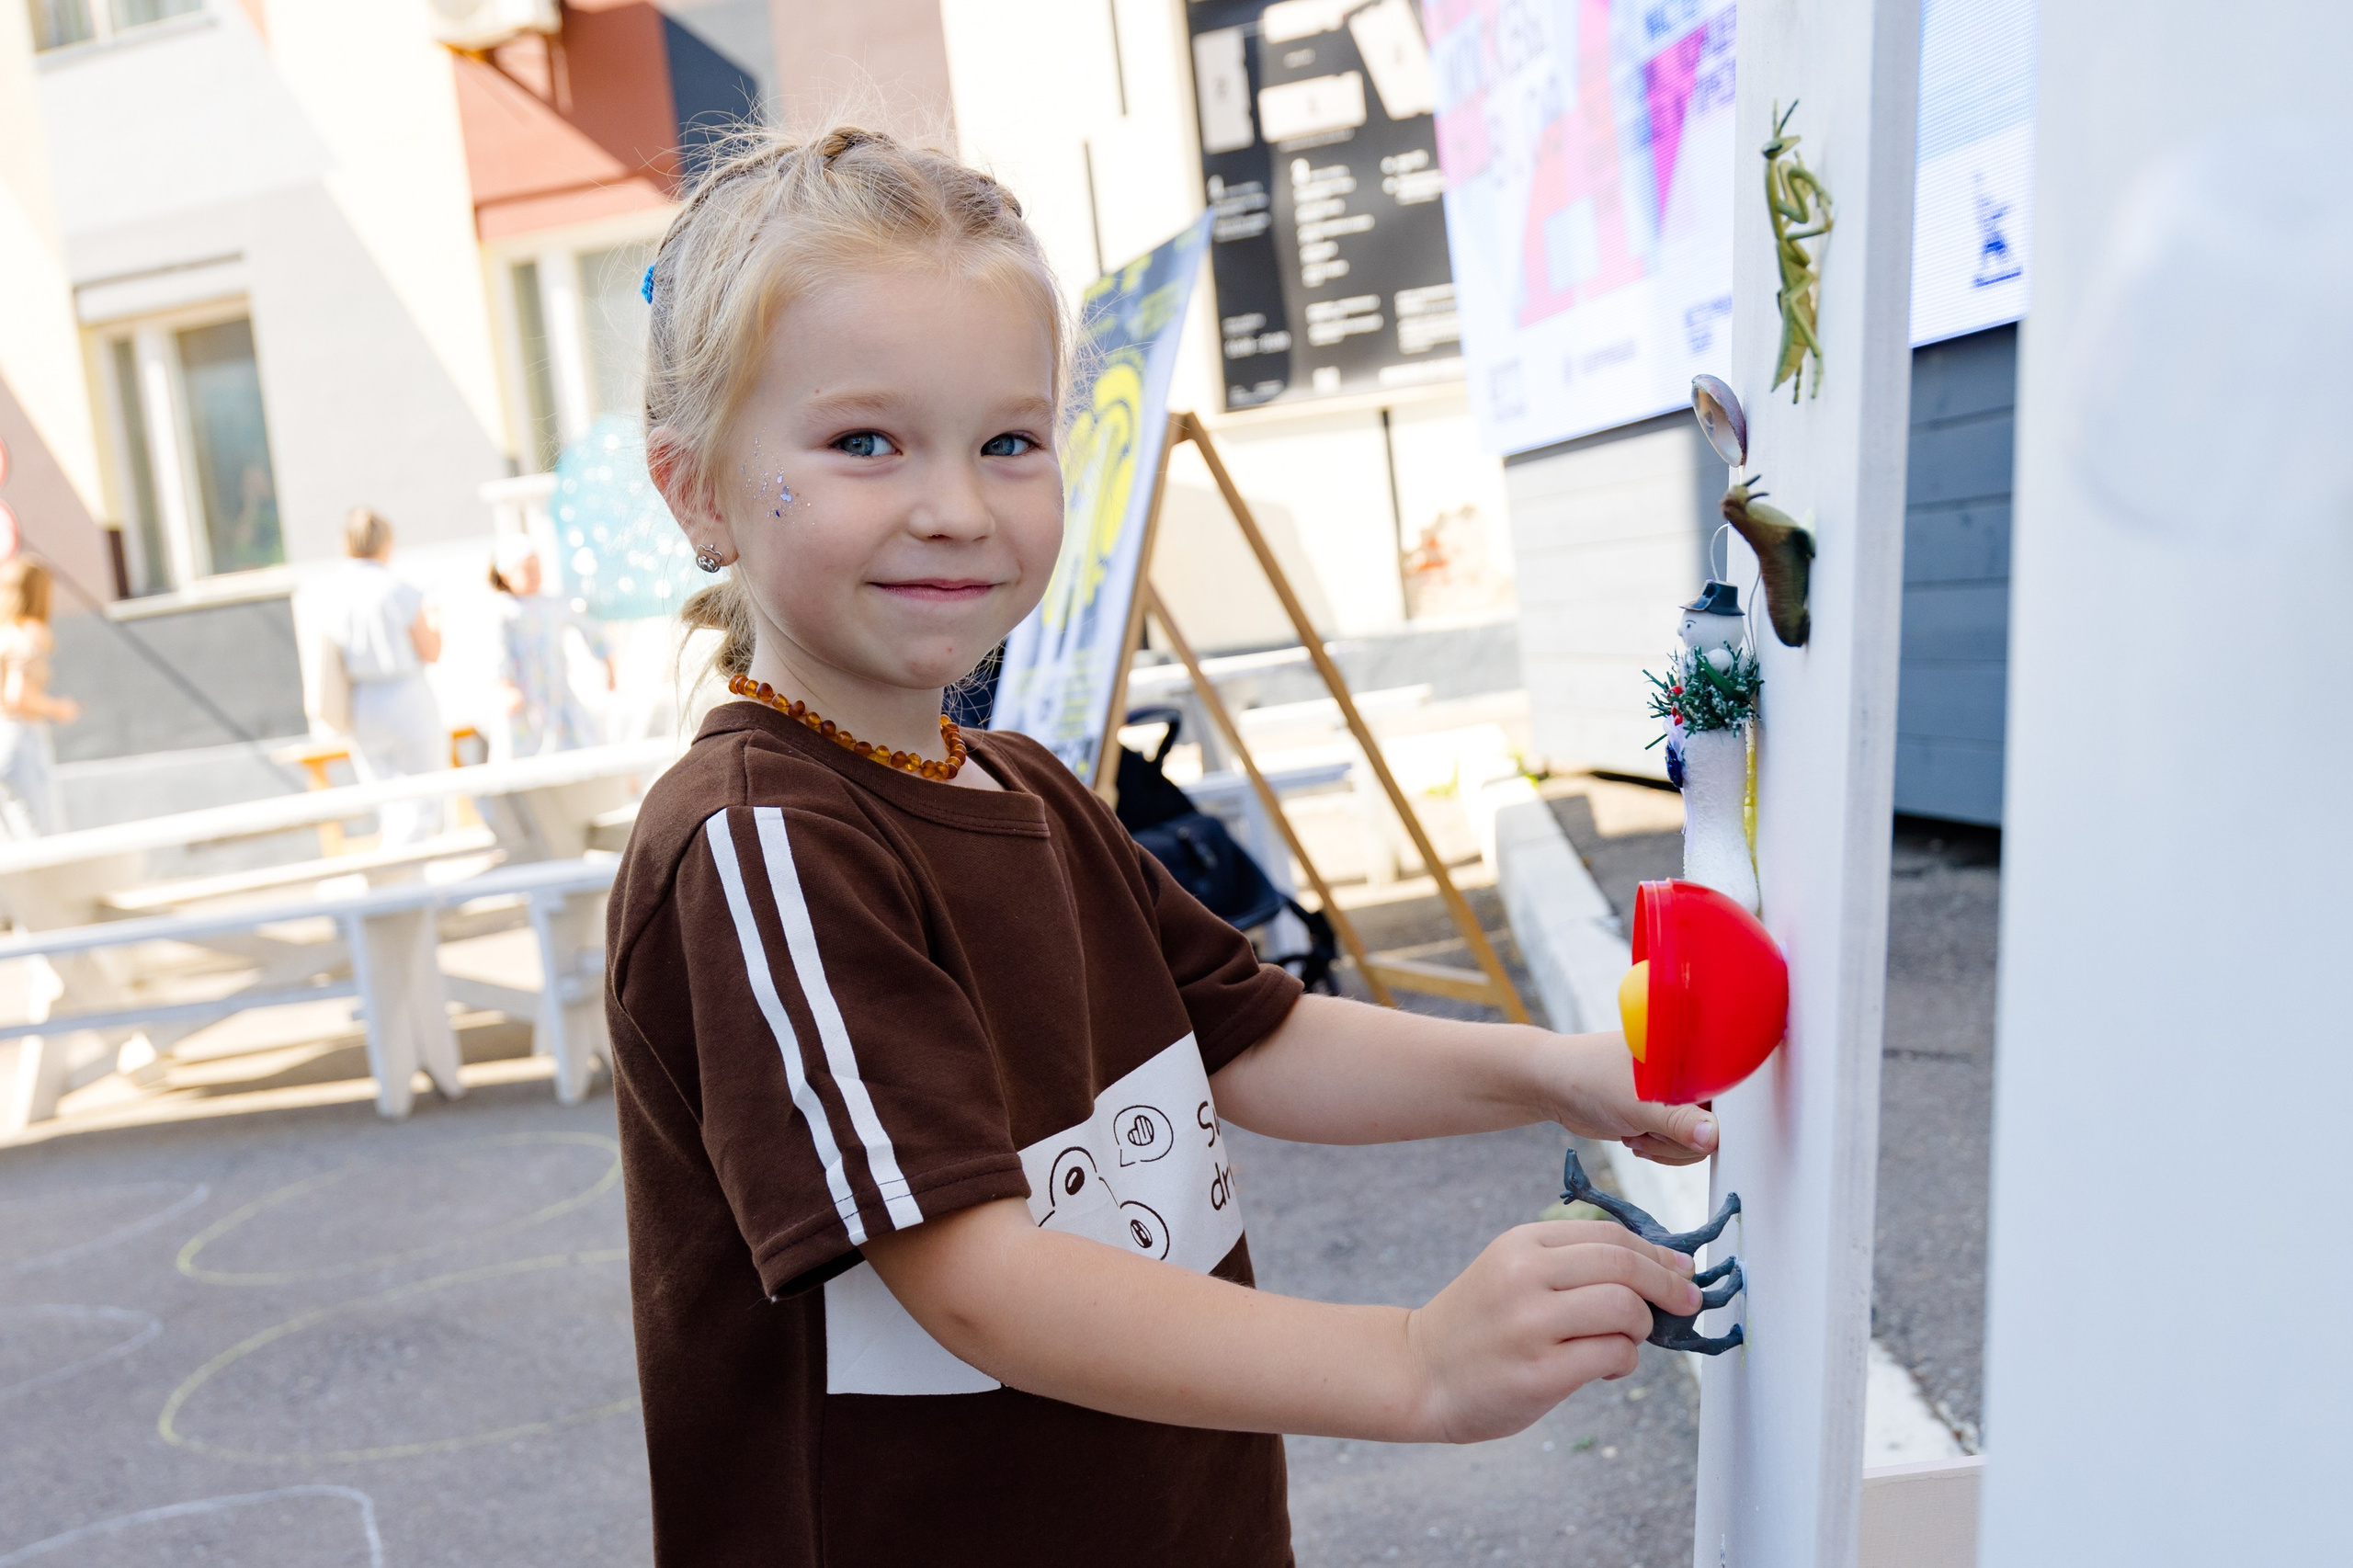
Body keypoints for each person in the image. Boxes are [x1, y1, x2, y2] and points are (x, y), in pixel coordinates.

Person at [607, 126, 1717, 1567]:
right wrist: (1413, 1362)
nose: (954, 503)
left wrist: (1555, 1073)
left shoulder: (1028, 787)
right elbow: (971, 1276)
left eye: (1009, 440)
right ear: (693, 487)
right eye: (864, 441)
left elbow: (1254, 1041)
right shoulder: (759, 842)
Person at [315, 509, 445, 847]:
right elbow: (430, 650)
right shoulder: (399, 588)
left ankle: (396, 882)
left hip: (363, 700)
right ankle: (412, 886)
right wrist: (435, 617)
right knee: (424, 801)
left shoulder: (332, 590)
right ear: (386, 541)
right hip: (406, 696)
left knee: (389, 804)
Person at [489, 534, 614, 757]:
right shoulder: (505, 612)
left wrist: (608, 662)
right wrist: (506, 687)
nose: (534, 575)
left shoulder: (553, 604)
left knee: (584, 740)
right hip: (525, 698)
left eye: (537, 568)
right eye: (526, 569)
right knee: (527, 749)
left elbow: (589, 627)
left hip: (557, 693)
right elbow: (498, 652)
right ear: (506, 575)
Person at [0, 556, 79, 836]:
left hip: (3, 738)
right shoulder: (28, 635)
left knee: (14, 840)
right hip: (23, 741)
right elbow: (16, 695)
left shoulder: (4, 634)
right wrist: (58, 708)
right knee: (42, 837)